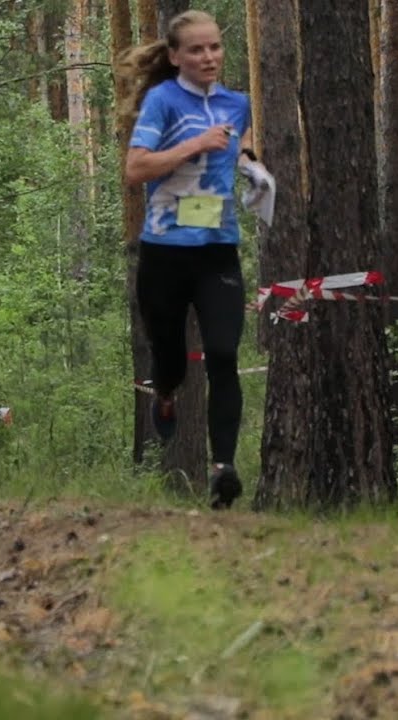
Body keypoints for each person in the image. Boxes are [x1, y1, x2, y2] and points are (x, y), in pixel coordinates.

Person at [117, 10, 265, 510]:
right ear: (176, 56)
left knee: (224, 354)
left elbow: (240, 139)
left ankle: (224, 469)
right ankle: (164, 394)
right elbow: (136, 170)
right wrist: (195, 145)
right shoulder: (162, 101)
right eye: (197, 50)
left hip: (217, 250)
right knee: (172, 363)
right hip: (163, 253)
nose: (209, 57)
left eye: (215, 48)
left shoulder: (236, 102)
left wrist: (251, 167)